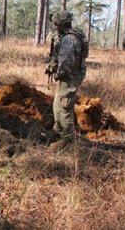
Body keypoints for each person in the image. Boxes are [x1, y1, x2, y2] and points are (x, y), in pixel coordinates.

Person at [46, 10, 88, 152]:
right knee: (58, 104)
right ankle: (58, 132)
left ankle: (68, 140)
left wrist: (58, 73)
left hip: (69, 78)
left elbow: (67, 62)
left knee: (64, 107)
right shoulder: (68, 37)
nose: (55, 26)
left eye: (57, 24)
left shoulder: (69, 40)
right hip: (69, 77)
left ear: (62, 24)